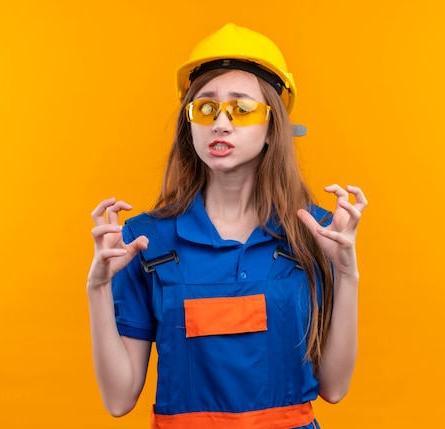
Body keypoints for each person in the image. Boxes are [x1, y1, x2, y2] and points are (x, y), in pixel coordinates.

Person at [86, 23, 368, 429]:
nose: (221, 122)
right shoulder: (144, 239)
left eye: (241, 108)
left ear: (273, 128)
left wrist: (346, 273)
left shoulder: (318, 233)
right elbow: (118, 399)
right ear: (190, 126)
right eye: (204, 107)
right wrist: (97, 289)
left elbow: (335, 387)